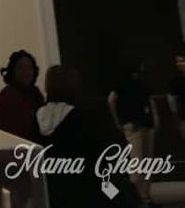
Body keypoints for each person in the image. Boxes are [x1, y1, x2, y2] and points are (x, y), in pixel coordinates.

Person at [37, 65, 138, 208]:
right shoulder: (87, 116)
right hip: (89, 190)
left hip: (53, 192)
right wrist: (117, 194)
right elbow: (105, 160)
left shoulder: (35, 117)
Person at [108, 56, 157, 204]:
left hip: (134, 122)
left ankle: (143, 195)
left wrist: (118, 120)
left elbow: (111, 100)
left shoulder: (124, 84)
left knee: (140, 159)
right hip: (142, 121)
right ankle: (142, 195)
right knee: (141, 160)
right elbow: (149, 101)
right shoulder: (137, 84)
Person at [0, 50, 44, 141]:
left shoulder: (36, 94)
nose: (26, 71)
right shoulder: (8, 94)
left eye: (29, 67)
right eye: (20, 67)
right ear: (13, 71)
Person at [167, 46, 185, 139]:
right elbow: (171, 99)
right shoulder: (175, 81)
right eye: (177, 62)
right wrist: (176, 116)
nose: (179, 64)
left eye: (182, 61)